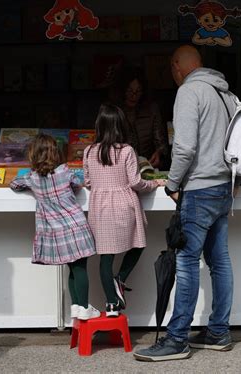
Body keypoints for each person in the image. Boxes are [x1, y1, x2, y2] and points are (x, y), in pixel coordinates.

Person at [134, 45, 238, 361]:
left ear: (178, 66)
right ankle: (219, 331)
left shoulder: (189, 93)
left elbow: (184, 148)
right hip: (223, 187)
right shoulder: (225, 94)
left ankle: (177, 338)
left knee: (186, 261)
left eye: (172, 68)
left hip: (199, 188)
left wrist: (173, 183)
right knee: (219, 260)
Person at [84, 103, 166, 317]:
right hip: (123, 205)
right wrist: (155, 184)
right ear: (121, 126)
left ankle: (111, 304)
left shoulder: (89, 152)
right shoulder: (127, 151)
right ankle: (120, 279)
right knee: (138, 244)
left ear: (99, 126)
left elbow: (88, 182)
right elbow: (136, 182)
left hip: (99, 208)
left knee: (105, 257)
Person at [10, 134, 99, 320]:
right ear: (54, 152)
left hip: (57, 233)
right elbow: (78, 184)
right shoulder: (64, 172)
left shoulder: (32, 179)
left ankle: (76, 306)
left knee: (72, 268)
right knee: (80, 268)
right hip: (76, 227)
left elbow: (14, 184)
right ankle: (84, 308)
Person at [113, 68, 169, 169]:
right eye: (130, 91)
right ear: (122, 90)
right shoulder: (114, 111)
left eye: (138, 91)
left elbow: (160, 140)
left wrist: (158, 153)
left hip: (147, 165)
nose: (134, 96)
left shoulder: (152, 109)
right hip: (121, 167)